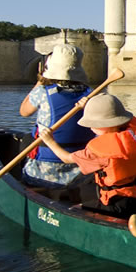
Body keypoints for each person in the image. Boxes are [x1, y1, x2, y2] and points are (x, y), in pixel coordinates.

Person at [40, 93, 136, 218]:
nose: (90, 128)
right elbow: (114, 114)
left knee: (74, 209)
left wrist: (49, 141)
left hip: (116, 204)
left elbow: (66, 158)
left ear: (102, 125)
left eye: (93, 124)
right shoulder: (135, 134)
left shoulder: (97, 152)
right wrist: (89, 107)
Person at [19, 44, 94, 188]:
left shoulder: (42, 92)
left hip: (41, 174)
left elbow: (24, 111)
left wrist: (41, 80)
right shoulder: (90, 94)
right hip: (81, 174)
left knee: (26, 141)